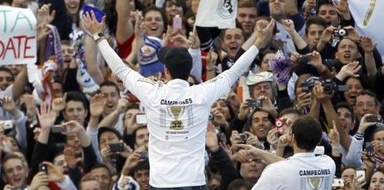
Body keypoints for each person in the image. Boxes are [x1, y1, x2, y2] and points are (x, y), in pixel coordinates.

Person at [83, 11, 274, 189]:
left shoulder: (152, 92)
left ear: (166, 71)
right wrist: (257, 43)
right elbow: (235, 71)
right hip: (194, 182)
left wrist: (99, 37)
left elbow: (120, 69)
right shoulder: (201, 93)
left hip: (161, 183)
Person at [251, 116, 336, 189]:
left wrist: (260, 153)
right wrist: (261, 153)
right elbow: (295, 165)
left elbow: (291, 165)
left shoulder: (276, 170)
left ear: (293, 138)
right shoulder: (328, 163)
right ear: (319, 141)